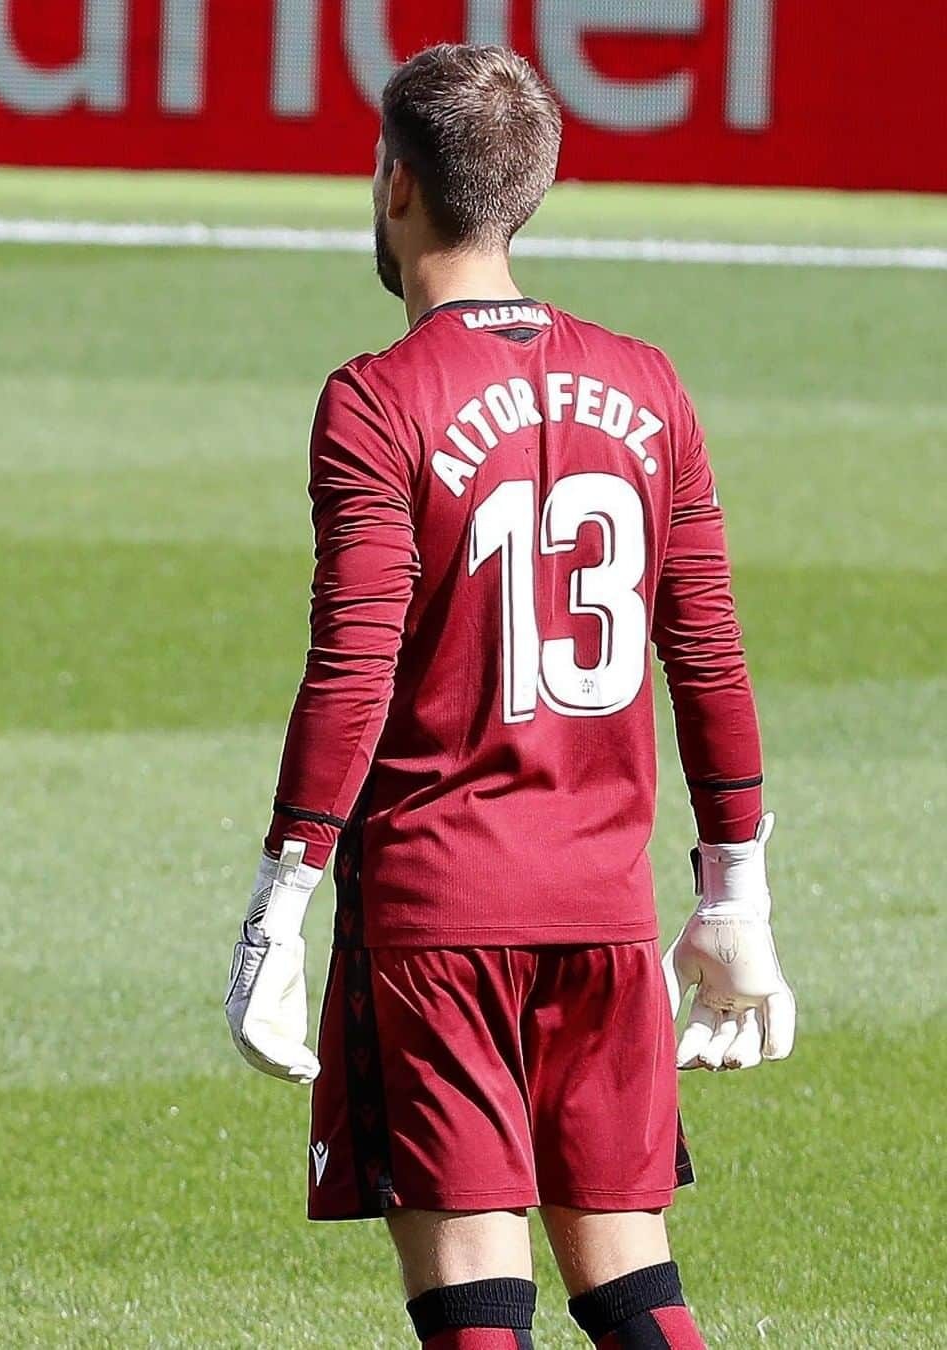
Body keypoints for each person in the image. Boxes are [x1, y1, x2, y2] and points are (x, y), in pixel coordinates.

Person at [225, 43, 795, 1350]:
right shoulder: (650, 385)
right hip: (604, 917)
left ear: (394, 184)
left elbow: (354, 661)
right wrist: (733, 895)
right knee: (633, 1282)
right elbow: (705, 650)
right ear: (529, 191)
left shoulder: (377, 400)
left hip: (438, 912)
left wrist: (282, 899)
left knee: (477, 1296)